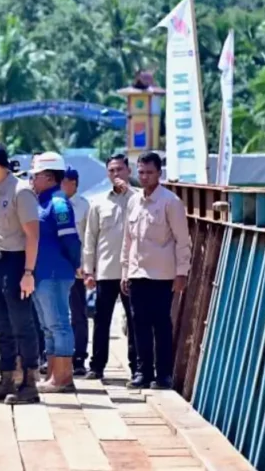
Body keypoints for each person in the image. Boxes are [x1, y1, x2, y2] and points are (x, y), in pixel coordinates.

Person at [0, 144, 41, 405]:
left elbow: (33, 235)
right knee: (1, 324)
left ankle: (29, 383)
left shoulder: (20, 191)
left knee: (22, 324)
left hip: (17, 262)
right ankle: (5, 379)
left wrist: (28, 272)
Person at [121, 152, 191, 389]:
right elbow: (127, 240)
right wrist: (125, 271)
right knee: (138, 325)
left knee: (161, 325)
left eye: (150, 172)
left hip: (163, 276)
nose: (145, 177)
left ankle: (163, 375)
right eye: (141, 172)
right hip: (137, 274)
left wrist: (182, 272)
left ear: (159, 174)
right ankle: (143, 373)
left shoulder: (171, 202)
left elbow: (183, 240)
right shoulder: (133, 202)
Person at [82, 154, 138, 380]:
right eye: (112, 170)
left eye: (120, 170)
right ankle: (97, 366)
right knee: (101, 319)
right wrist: (89, 269)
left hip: (133, 271)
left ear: (128, 171)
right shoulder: (98, 202)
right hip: (105, 270)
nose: (116, 174)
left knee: (135, 320)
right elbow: (90, 238)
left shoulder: (139, 199)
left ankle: (137, 367)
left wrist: (130, 190)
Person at [29, 152, 81, 393]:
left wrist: (74, 263)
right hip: (41, 273)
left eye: (35, 175)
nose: (31, 179)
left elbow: (70, 240)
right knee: (48, 326)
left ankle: (63, 377)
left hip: (54, 273)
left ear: (48, 177)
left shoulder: (58, 204)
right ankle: (52, 375)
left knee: (59, 324)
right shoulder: (42, 202)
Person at [62, 167, 90, 377]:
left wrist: (86, 266)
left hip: (77, 267)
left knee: (78, 314)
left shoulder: (84, 206)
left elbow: (88, 238)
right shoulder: (52, 204)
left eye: (65, 181)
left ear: (74, 183)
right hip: (54, 267)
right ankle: (52, 356)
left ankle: (79, 357)